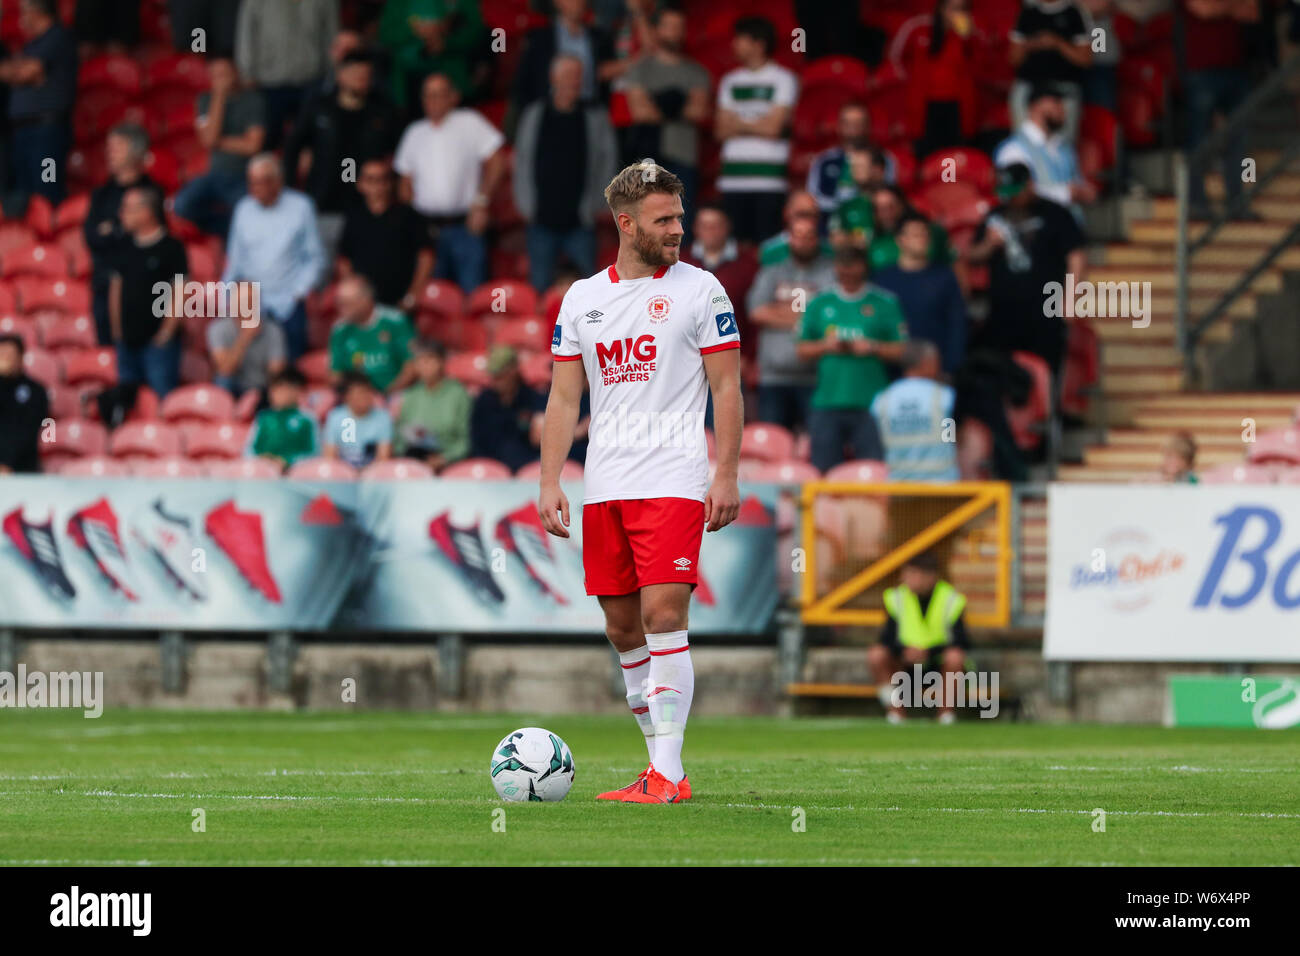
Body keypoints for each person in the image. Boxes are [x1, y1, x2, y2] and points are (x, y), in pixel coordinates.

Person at [538, 160, 743, 803]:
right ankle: (658, 767)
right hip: (605, 484)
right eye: (665, 220)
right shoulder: (581, 299)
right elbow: (563, 400)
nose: (679, 229)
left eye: (680, 216)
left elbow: (727, 387)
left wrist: (726, 472)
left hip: (674, 478)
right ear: (625, 225)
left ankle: (671, 772)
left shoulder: (702, 290)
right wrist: (550, 481)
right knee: (624, 629)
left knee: (662, 615)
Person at [965, 162, 1086, 376]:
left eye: (1015, 192)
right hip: (1003, 310)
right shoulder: (995, 215)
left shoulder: (1055, 214)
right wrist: (989, 244)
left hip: (1046, 308)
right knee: (1003, 371)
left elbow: (1075, 257)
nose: (1011, 198)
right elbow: (972, 256)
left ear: (1029, 185)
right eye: (1006, 193)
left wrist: (1071, 300)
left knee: (1046, 369)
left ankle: (1048, 409)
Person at [796, 247, 908, 472]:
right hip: (828, 401)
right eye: (841, 264)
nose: (846, 270)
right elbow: (801, 349)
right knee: (824, 472)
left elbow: (903, 350)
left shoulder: (884, 302)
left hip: (872, 403)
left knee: (873, 469)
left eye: (852, 264)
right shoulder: (820, 302)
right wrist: (825, 346)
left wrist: (873, 347)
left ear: (863, 266)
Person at [513, 55, 618, 293]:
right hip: (540, 219)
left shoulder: (594, 116)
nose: (573, 81)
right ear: (553, 78)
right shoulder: (535, 114)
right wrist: (525, 205)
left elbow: (608, 160)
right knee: (539, 287)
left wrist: (598, 203)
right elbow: (522, 161)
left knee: (587, 291)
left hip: (580, 220)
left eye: (578, 76)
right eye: (568, 75)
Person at [283, 49, 401, 259]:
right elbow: (292, 148)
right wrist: (291, 191)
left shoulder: (383, 111)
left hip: (367, 209)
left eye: (366, 76)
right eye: (355, 74)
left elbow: (400, 157)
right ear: (340, 75)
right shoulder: (319, 107)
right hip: (323, 203)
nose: (361, 81)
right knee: (321, 267)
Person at [394, 73, 506, 294]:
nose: (432, 100)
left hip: (465, 225)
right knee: (431, 296)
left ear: (453, 97)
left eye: (439, 95)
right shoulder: (415, 132)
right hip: (426, 229)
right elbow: (405, 183)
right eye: (428, 95)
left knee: (472, 293)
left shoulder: (469, 122)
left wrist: (482, 202)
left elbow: (497, 161)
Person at [222, 154, 328, 362]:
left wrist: (299, 292)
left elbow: (315, 257)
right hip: (251, 305)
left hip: (288, 304)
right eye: (252, 183)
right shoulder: (244, 208)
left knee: (290, 371)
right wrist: (227, 295)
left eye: (261, 182)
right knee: (254, 371)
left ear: (278, 181)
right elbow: (235, 259)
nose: (255, 189)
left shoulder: (301, 206)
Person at [622, 7, 712, 240]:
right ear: (656, 29)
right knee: (645, 225)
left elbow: (699, 111)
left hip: (684, 157)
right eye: (670, 26)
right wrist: (679, 104)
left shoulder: (697, 72)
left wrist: (658, 103)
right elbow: (640, 112)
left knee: (680, 225)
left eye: (679, 27)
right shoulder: (640, 69)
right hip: (647, 158)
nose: (675, 32)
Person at [714, 16, 799, 244]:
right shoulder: (730, 81)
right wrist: (758, 122)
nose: (734, 45)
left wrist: (738, 123)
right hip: (732, 179)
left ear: (759, 44)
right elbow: (721, 130)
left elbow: (773, 128)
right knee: (735, 248)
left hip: (769, 180)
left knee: (767, 247)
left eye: (740, 39)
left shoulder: (783, 79)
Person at [746, 216, 834, 431]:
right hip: (773, 377)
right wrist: (808, 317)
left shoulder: (830, 272)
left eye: (809, 236)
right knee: (771, 445)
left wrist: (777, 310)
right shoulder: (772, 271)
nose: (803, 241)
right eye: (798, 235)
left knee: (815, 445)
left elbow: (830, 316)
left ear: (817, 240)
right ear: (789, 239)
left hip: (817, 377)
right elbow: (756, 312)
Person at [868, 550, 970, 724]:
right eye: (907, 574)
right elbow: (886, 638)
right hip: (905, 665)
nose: (906, 579)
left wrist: (928, 652)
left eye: (913, 574)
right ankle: (895, 714)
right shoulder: (896, 597)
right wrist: (906, 651)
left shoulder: (951, 599)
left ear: (931, 576)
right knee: (876, 654)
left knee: (955, 657)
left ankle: (945, 715)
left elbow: (962, 641)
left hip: (937, 664)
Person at [1182, 0, 1260, 219]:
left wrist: (1222, 7)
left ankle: (1238, 201)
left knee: (1241, 139)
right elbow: (1201, 8)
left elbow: (1253, 11)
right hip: (1202, 69)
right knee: (1198, 139)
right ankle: (1196, 202)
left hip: (1237, 67)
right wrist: (1234, 7)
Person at [172, 57, 266, 239]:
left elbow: (253, 146)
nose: (220, 80)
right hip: (214, 175)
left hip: (244, 175)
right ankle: (228, 230)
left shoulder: (252, 100)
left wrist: (218, 141)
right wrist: (219, 96)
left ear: (236, 73)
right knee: (181, 206)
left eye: (224, 74)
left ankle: (234, 232)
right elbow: (208, 141)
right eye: (216, 75)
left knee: (254, 214)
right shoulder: (205, 100)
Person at [109, 185, 187, 399]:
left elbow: (180, 292)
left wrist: (166, 333)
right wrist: (117, 331)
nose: (121, 214)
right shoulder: (123, 247)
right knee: (125, 402)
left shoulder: (172, 248)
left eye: (127, 208)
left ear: (146, 212)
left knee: (161, 398)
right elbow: (116, 290)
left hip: (158, 345)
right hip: (127, 342)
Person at [85, 123, 159, 345]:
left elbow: (148, 238)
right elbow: (91, 237)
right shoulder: (101, 195)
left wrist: (112, 229)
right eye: (109, 147)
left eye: (116, 147)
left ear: (135, 151)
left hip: (142, 291)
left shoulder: (153, 192)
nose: (109, 153)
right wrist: (123, 229)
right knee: (107, 356)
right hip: (104, 288)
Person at [872, 211, 968, 376]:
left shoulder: (944, 276)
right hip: (890, 369)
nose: (923, 239)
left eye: (925, 234)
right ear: (900, 240)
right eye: (916, 234)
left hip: (934, 368)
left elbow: (957, 324)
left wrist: (952, 367)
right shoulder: (882, 279)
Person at [0, 0, 77, 206]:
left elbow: (25, 73)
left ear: (36, 11)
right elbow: (21, 72)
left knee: (47, 185)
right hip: (24, 130)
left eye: (23, 12)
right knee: (25, 194)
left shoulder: (58, 36)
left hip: (47, 131)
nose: (20, 19)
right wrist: (16, 71)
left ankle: (53, 231)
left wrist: (17, 71)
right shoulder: (31, 45)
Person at [234, 0, 337, 150]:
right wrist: (247, 73)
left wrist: (331, 76)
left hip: (312, 80)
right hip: (267, 82)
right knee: (268, 143)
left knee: (311, 144)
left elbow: (332, 38)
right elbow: (246, 36)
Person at [338, 159, 435, 313]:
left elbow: (426, 257)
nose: (377, 185)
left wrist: (413, 294)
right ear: (360, 184)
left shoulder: (409, 216)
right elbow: (344, 260)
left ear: (390, 183)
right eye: (370, 179)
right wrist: (354, 293)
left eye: (382, 179)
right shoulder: (353, 218)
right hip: (363, 306)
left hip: (400, 304)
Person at [994, 81, 1095, 220]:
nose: (1063, 109)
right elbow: (1010, 194)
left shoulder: (1064, 147)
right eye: (1055, 102)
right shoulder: (1013, 149)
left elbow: (1079, 185)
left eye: (1062, 103)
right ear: (1035, 106)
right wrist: (1064, 194)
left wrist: (1084, 191)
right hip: (1035, 233)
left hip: (1071, 231)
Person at [378, 0, 489, 115]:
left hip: (452, 71)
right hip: (409, 77)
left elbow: (477, 33)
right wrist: (417, 30)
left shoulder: (464, 4)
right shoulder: (398, 4)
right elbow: (385, 34)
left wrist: (447, 42)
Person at [871, 340, 960, 481]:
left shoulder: (882, 400)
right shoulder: (944, 397)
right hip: (940, 488)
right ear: (927, 363)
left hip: (898, 489)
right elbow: (949, 438)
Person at [1008, 0, 1094, 142]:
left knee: (1062, 146)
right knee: (1024, 141)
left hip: (1064, 88)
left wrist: (1057, 43)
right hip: (1029, 87)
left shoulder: (1075, 12)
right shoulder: (1028, 12)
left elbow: (1086, 60)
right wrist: (1035, 43)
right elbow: (1013, 58)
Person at [512, 0, 616, 116]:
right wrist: (535, 116)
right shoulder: (539, 39)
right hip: (549, 115)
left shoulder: (600, 38)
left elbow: (607, 80)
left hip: (590, 115)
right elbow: (523, 85)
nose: (578, 2)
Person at [905, 0, 980, 158]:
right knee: (927, 156)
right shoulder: (919, 27)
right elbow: (897, 58)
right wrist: (913, 83)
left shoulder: (971, 34)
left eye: (961, 9)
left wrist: (969, 38)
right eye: (952, 8)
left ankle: (949, 182)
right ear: (941, 8)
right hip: (926, 107)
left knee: (952, 157)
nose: (956, 13)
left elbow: (981, 66)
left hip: (956, 108)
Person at [807, 102, 898, 217]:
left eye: (858, 123)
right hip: (829, 224)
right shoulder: (823, 160)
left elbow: (888, 200)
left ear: (868, 126)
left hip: (870, 222)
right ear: (839, 126)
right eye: (847, 123)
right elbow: (811, 200)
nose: (853, 128)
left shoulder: (884, 159)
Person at [328, 275, 416, 394]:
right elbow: (335, 375)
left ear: (366, 300)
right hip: (357, 400)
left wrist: (387, 395)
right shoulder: (340, 330)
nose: (342, 309)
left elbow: (411, 367)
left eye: (347, 303)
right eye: (339, 303)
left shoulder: (396, 322)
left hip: (397, 393)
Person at [393, 340, 471, 469]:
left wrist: (445, 458)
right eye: (419, 361)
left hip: (448, 463)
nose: (424, 365)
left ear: (441, 362)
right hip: (414, 459)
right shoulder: (411, 395)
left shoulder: (458, 394)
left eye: (429, 360)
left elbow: (466, 439)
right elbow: (400, 436)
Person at [207, 282, 288, 399]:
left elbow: (277, 372)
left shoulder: (273, 330)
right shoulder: (218, 328)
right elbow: (225, 369)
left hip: (261, 388)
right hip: (234, 387)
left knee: (281, 387)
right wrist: (245, 338)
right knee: (222, 380)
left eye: (251, 300)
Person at [471, 345, 545, 471]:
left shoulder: (534, 399)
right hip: (489, 472)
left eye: (500, 376)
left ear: (514, 371)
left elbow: (539, 443)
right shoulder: (484, 400)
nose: (495, 381)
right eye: (493, 376)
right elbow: (476, 439)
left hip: (526, 472)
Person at [867, 184, 955, 271]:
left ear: (902, 205)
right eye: (879, 209)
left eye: (891, 206)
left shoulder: (933, 233)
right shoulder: (871, 242)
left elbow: (954, 264)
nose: (886, 214)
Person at [246, 367, 318, 470]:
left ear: (296, 391)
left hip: (297, 474)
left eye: (284, 388)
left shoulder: (308, 419)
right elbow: (248, 451)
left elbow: (314, 454)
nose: (277, 393)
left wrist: (288, 462)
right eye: (275, 388)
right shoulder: (263, 417)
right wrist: (263, 460)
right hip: (263, 472)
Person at [322, 370, 393, 469]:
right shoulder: (335, 417)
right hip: (343, 477)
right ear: (346, 396)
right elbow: (330, 457)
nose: (365, 396)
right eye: (359, 392)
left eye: (367, 391)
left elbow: (383, 459)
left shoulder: (383, 417)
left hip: (373, 477)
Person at [0, 333, 50, 474]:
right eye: (1, 354)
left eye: (9, 354)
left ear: (21, 357)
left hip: (22, 470)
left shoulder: (36, 391)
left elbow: (29, 431)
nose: (5, 359)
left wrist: (7, 463)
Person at [758, 190, 833, 266]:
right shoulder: (769, 251)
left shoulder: (830, 251)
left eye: (811, 215)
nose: (805, 220)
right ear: (786, 214)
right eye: (801, 214)